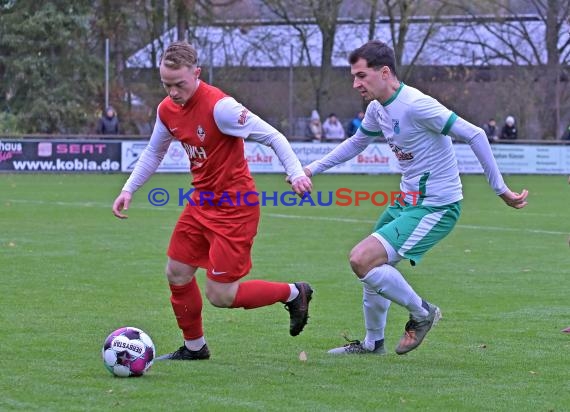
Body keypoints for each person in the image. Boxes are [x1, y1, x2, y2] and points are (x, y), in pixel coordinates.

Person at [303, 40, 528, 356]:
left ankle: (423, 313)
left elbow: (475, 134)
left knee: (361, 259)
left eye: (361, 76)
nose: (355, 84)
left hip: (436, 206)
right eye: (353, 77)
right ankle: (373, 344)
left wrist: (500, 188)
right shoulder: (377, 109)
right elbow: (356, 143)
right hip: (406, 202)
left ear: (384, 72)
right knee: (371, 271)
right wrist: (312, 168)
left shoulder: (416, 105)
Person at [112, 41, 314, 361]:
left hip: (236, 208)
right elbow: (154, 151)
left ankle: (294, 293)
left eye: (180, 84)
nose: (173, 92)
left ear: (197, 73)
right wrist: (128, 189)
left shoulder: (222, 107)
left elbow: (274, 136)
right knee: (176, 272)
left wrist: (295, 172)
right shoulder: (167, 109)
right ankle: (195, 347)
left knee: (222, 296)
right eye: (166, 85)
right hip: (200, 203)